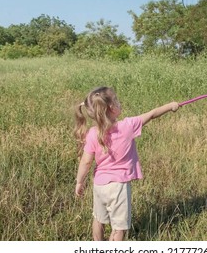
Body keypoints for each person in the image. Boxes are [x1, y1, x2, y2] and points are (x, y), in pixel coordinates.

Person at [74, 86, 179, 241]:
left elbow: (86, 161)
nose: (119, 101)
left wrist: (79, 182)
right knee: (119, 227)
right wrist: (171, 106)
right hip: (119, 187)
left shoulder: (92, 134)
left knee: (98, 218)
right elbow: (152, 114)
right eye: (116, 100)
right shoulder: (128, 126)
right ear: (111, 108)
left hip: (100, 185)